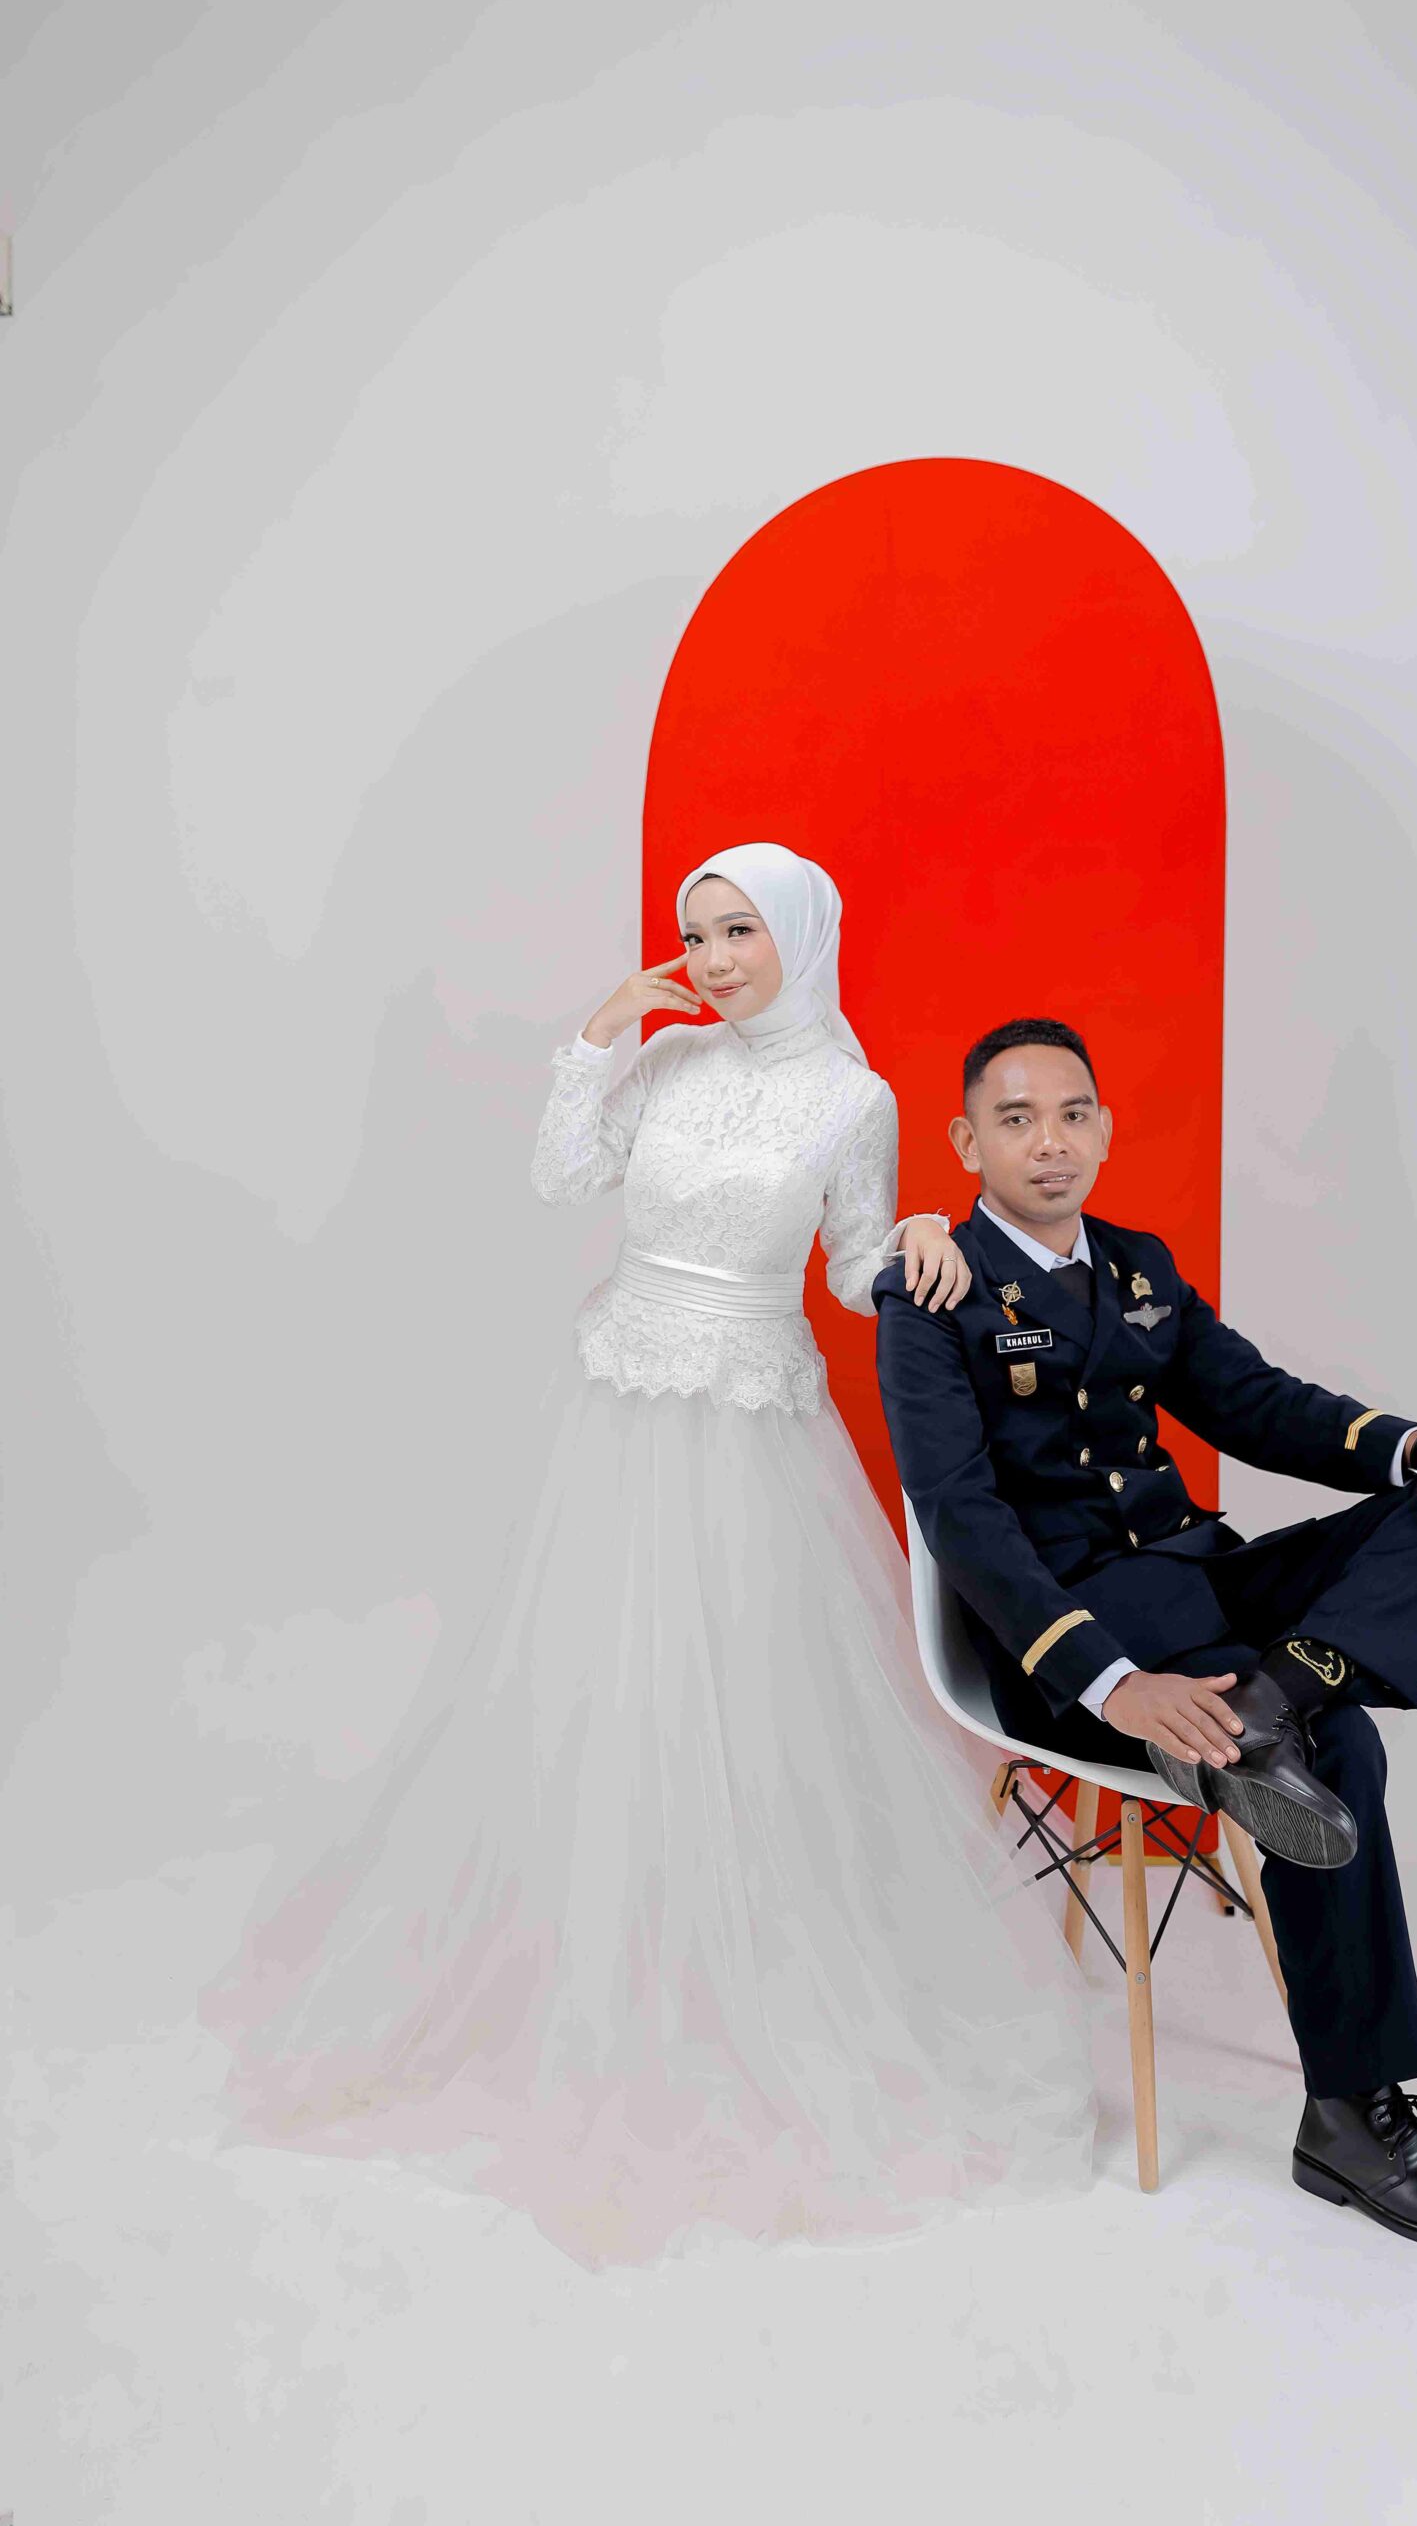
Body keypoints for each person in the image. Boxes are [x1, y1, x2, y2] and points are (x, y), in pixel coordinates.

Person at [201, 853, 1096, 2269]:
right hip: (617, 1406)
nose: (716, 957)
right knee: (591, 1686)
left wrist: (923, 1230)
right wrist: (606, 1026)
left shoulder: (852, 1099)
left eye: (740, 930)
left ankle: (739, 1988)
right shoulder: (670, 1060)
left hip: (746, 1425)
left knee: (738, 1705)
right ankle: (585, 1987)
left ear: (797, 933)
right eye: (695, 934)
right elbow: (560, 1174)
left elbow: (852, 1271)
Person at [874, 1015, 1417, 2255]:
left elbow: (1258, 1405)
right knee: (1346, 1753)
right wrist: (1112, 1684)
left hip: (1205, 1589)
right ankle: (1352, 2116)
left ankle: (1269, 1707)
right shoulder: (932, 1288)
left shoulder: (1138, 1265)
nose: (1050, 1142)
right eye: (1016, 1119)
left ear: (1105, 1128)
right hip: (1081, 1633)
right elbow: (962, 1518)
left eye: (1072, 1114)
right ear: (965, 1141)